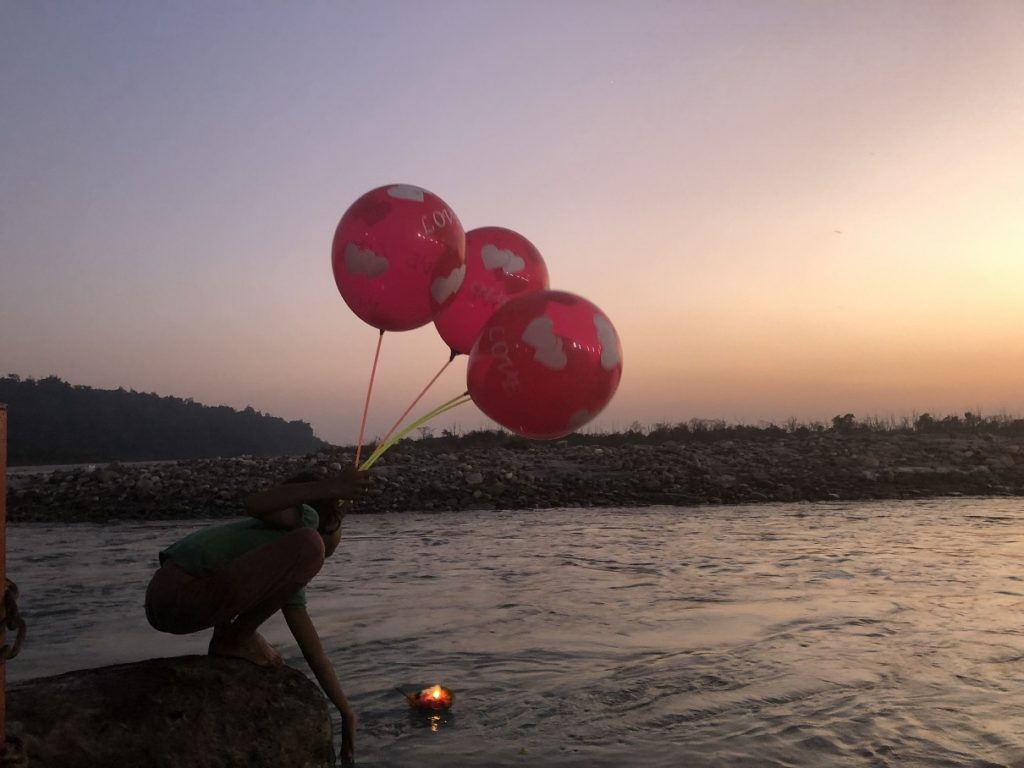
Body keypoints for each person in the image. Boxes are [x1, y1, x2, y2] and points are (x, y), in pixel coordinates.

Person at [144, 466, 369, 764]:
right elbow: (255, 502)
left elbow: (311, 646)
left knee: (308, 549)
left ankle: (232, 636)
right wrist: (333, 487)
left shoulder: (280, 556)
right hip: (180, 593)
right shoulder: (305, 527)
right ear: (329, 520)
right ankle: (236, 638)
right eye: (341, 524)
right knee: (311, 545)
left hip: (169, 597)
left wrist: (345, 710)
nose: (340, 534)